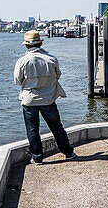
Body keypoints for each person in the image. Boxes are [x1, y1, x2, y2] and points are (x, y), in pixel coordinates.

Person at [14, 30, 75, 164]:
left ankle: (37, 158)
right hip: (48, 98)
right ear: (40, 43)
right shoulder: (51, 59)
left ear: (26, 46)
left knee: (32, 130)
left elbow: (18, 81)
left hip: (29, 100)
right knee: (56, 127)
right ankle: (68, 152)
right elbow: (57, 75)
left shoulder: (22, 61)